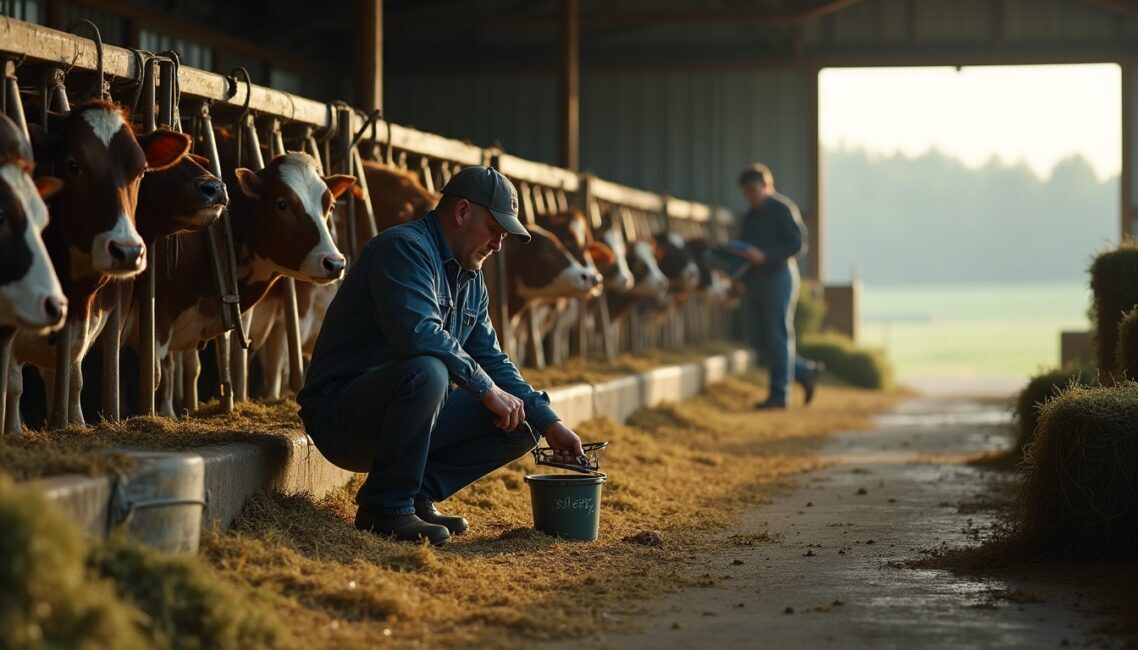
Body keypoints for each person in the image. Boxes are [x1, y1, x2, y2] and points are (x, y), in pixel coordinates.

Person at [297, 166, 586, 546]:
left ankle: (415, 494)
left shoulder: (470, 277)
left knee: (523, 419)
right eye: (495, 230)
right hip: (342, 417)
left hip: (406, 415)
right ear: (462, 212)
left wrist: (549, 423)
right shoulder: (403, 248)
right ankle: (386, 506)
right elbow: (420, 335)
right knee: (428, 369)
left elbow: (493, 359)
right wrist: (486, 390)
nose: (498, 245)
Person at [730, 163, 822, 410]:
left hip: (778, 278)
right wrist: (740, 280)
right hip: (757, 281)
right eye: (746, 192)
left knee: (778, 336)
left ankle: (779, 395)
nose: (750, 196)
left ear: (767, 186)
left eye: (754, 190)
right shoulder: (750, 217)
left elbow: (797, 244)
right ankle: (804, 371)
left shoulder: (782, 209)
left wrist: (766, 256)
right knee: (762, 340)